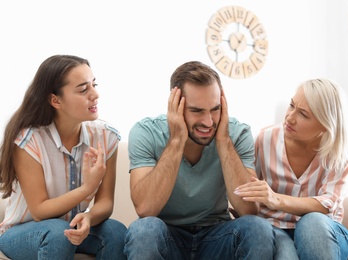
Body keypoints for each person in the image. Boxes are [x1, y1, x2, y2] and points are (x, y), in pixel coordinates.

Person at [123, 61, 275, 259]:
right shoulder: (146, 132)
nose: (208, 121)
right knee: (143, 230)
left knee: (258, 228)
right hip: (167, 236)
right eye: (197, 111)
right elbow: (145, 208)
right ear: (176, 105)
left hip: (217, 235)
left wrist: (223, 141)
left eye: (215, 109)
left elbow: (248, 210)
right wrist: (177, 140)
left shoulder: (237, 134)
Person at [0, 55, 126, 259]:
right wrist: (87, 188)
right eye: (83, 89)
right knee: (59, 234)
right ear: (55, 100)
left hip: (72, 226)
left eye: (94, 85)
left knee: (117, 233)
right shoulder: (28, 141)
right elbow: (40, 211)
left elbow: (105, 202)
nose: (95, 94)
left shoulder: (106, 136)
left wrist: (88, 217)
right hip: (23, 232)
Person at [234, 78, 348, 259]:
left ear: (325, 124)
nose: (289, 117)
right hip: (276, 227)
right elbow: (249, 192)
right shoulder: (265, 139)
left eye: (303, 114)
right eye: (291, 105)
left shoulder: (338, 152)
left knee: (312, 222)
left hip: (324, 231)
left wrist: (276, 199)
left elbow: (326, 205)